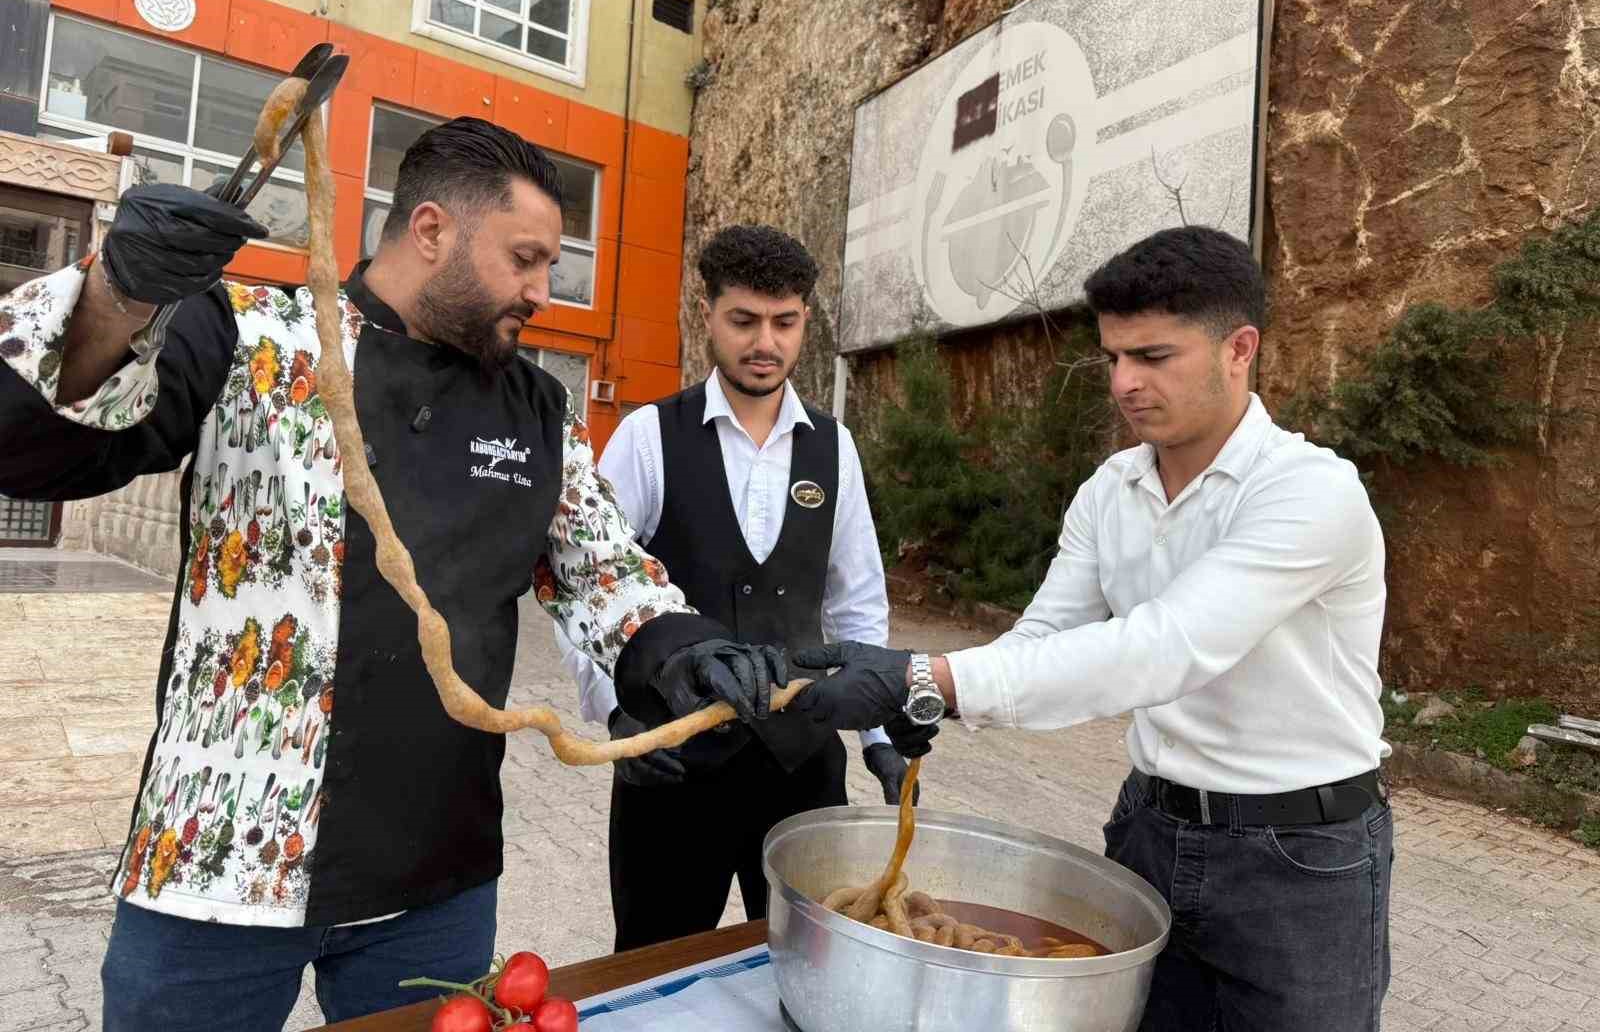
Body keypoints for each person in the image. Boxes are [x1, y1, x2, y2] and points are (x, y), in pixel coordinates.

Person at [0, 118, 789, 1032]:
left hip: (435, 879)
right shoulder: (251, 335)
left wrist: (685, 652)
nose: (544, 290)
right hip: (217, 866)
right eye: (526, 259)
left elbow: (606, 574)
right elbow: (43, 451)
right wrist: (117, 296)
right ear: (430, 231)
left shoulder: (536, 406)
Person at [791, 225, 1393, 1032]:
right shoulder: (1112, 489)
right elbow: (1039, 644)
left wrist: (925, 675)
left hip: (1299, 860)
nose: (1125, 383)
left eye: (1153, 356)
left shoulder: (1311, 493)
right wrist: (925, 694)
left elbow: (1165, 648)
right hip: (1151, 830)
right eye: (1112, 357)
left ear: (1238, 348)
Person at [556, 223, 912, 951]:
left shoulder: (833, 445)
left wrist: (878, 731)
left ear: (805, 320)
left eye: (784, 323)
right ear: (708, 315)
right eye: (744, 320)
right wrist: (620, 716)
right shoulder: (649, 435)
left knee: (804, 961)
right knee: (652, 965)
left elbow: (857, 602)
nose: (765, 342)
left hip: (802, 765)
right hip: (672, 764)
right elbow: (585, 584)